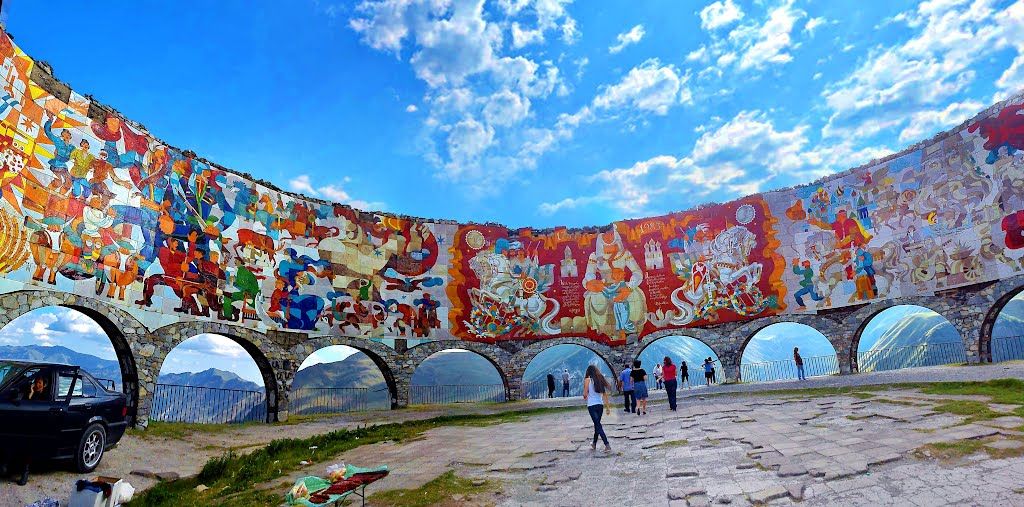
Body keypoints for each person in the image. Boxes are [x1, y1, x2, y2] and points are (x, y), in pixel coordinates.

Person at [583, 365, 612, 452]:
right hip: (600, 405)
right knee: (597, 424)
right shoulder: (599, 380)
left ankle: (607, 444)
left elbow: (585, 394)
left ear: (588, 372)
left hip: (591, 405)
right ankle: (594, 444)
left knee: (598, 425)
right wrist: (607, 407)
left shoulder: (587, 380)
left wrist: (585, 395)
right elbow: (604, 395)